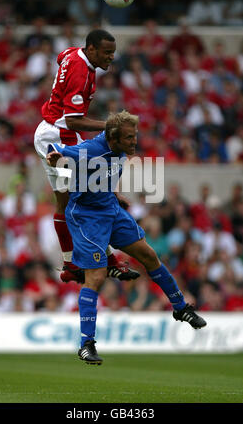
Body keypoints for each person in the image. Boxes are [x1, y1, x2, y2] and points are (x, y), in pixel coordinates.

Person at [46, 110, 207, 365]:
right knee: (96, 277)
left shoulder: (117, 149)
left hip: (110, 209)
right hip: (87, 217)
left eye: (135, 136)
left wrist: (114, 194)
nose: (134, 142)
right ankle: (86, 343)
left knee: (149, 255)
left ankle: (181, 308)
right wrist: (55, 156)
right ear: (114, 138)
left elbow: (105, 172)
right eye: (130, 138)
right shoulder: (90, 149)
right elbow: (55, 148)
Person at [34, 29, 139, 285]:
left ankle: (72, 265)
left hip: (55, 133)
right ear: (91, 49)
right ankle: (105, 261)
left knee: (73, 199)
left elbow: (61, 58)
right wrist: (109, 125)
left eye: (113, 52)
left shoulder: (72, 54)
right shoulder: (82, 73)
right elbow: (72, 120)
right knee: (85, 198)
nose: (111, 57)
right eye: (106, 52)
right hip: (58, 137)